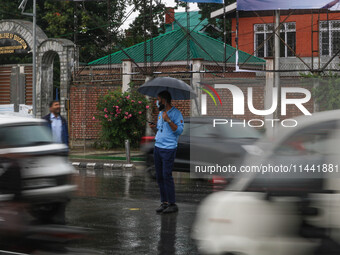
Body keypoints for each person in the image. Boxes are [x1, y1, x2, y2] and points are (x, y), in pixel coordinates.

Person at [149, 91, 184, 214]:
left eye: (158, 99)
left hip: (169, 148)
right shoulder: (160, 113)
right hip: (158, 147)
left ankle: (172, 203)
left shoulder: (176, 113)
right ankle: (164, 202)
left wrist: (168, 120)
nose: (157, 102)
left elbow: (179, 131)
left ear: (164, 100)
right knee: (159, 177)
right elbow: (160, 130)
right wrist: (154, 128)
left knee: (166, 176)